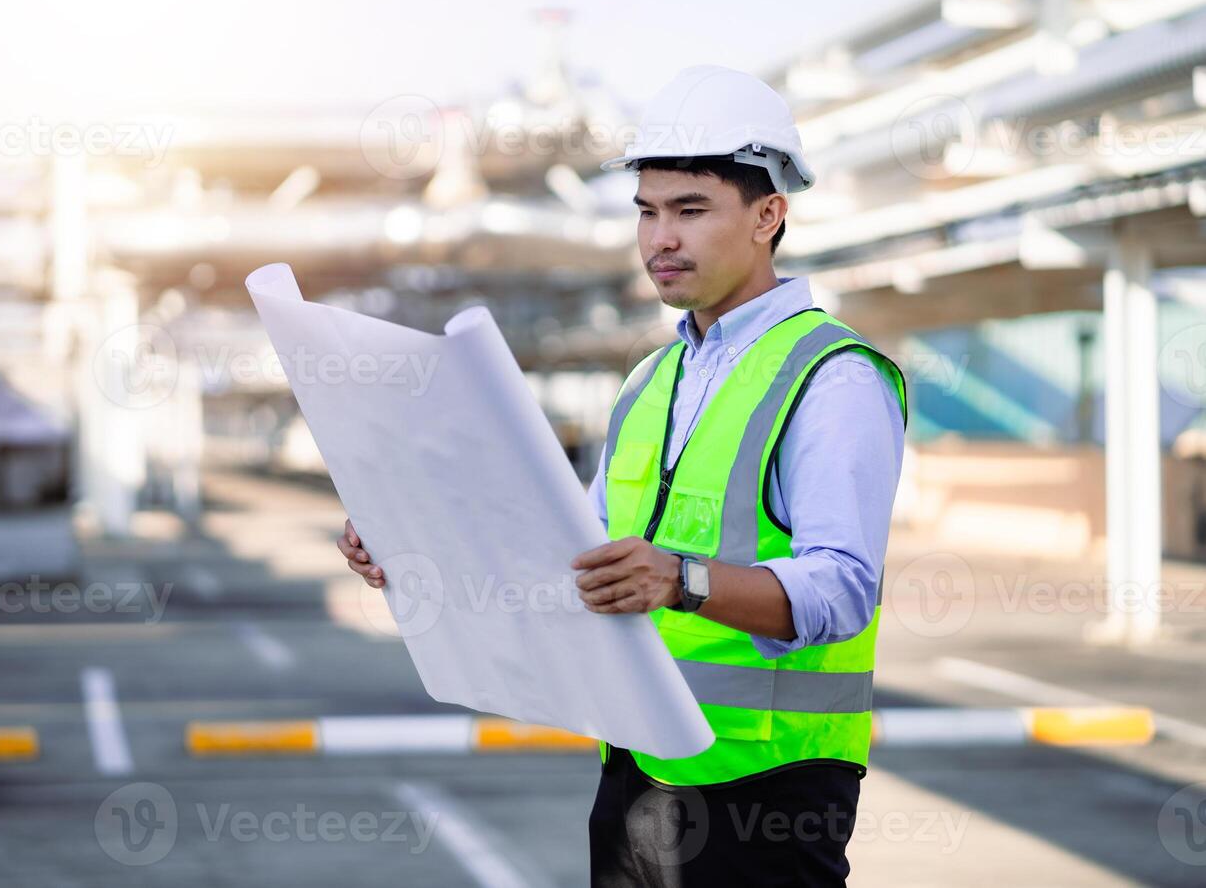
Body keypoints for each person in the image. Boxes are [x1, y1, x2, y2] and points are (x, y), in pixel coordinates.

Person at [340, 65, 906, 886]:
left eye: (689, 210)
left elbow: (842, 590)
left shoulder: (834, 376)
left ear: (768, 215)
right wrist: (413, 542)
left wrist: (682, 580)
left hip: (770, 796)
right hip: (637, 773)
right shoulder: (650, 380)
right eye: (645, 212)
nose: (658, 239)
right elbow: (565, 553)